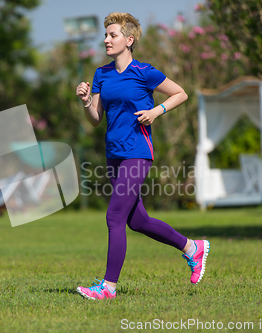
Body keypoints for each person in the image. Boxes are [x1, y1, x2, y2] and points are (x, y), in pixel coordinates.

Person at [75, 12, 210, 300]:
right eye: (106, 35)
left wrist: (156, 111)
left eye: (112, 35)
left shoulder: (144, 72)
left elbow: (180, 93)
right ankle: (192, 248)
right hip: (114, 154)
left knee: (114, 217)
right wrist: (87, 101)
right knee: (136, 221)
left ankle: (108, 288)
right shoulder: (102, 74)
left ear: (129, 39)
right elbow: (95, 119)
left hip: (138, 154)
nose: (106, 40)